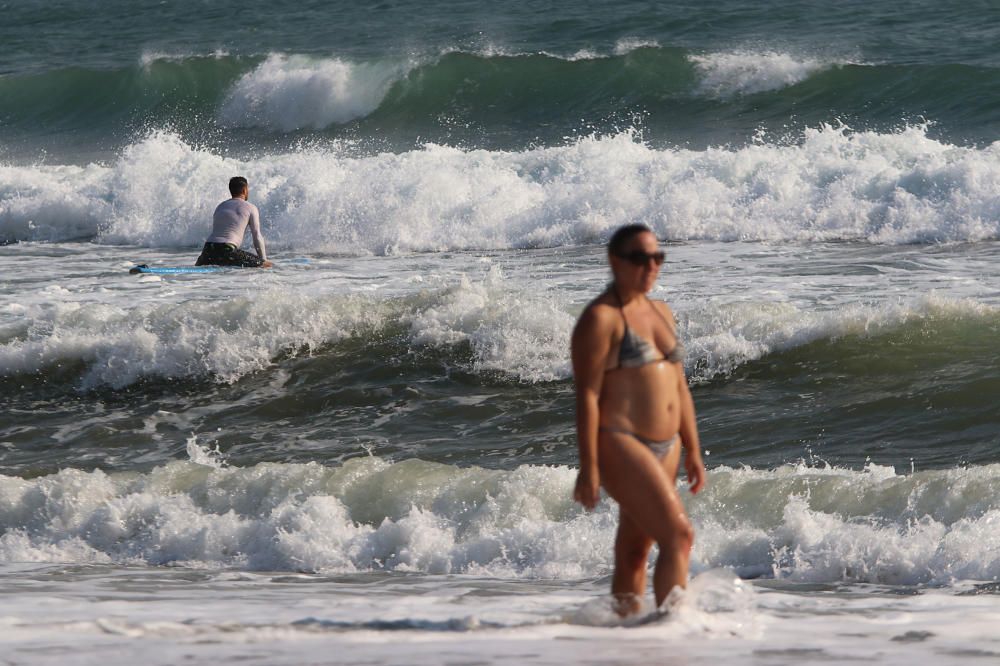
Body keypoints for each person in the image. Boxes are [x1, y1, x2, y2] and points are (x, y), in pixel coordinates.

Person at [571, 223, 706, 616]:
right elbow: (588, 395)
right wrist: (589, 467)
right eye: (639, 258)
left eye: (656, 258)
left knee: (634, 550)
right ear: (615, 261)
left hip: (667, 447)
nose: (650, 266)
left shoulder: (661, 312)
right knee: (679, 535)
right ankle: (671, 633)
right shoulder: (601, 318)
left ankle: (625, 639)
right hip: (620, 441)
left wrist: (694, 448)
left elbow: (680, 388)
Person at [195, 176, 273, 268]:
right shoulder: (251, 207)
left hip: (207, 250)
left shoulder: (220, 206)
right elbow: (257, 236)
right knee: (267, 265)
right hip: (227, 250)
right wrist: (263, 260)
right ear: (244, 190)